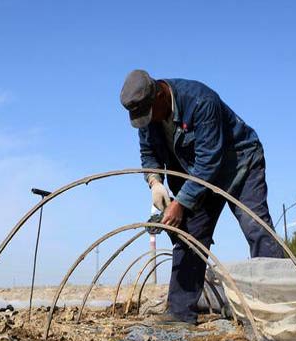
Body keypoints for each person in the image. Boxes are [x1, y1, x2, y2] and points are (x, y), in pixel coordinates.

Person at [119, 69, 283, 325]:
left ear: (160, 95)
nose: (148, 121)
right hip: (198, 175)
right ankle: (179, 312)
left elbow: (209, 160)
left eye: (150, 115)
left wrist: (181, 202)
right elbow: (148, 153)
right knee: (188, 235)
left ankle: (279, 307)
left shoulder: (200, 101)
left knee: (256, 228)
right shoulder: (147, 116)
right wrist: (155, 183)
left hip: (239, 164)